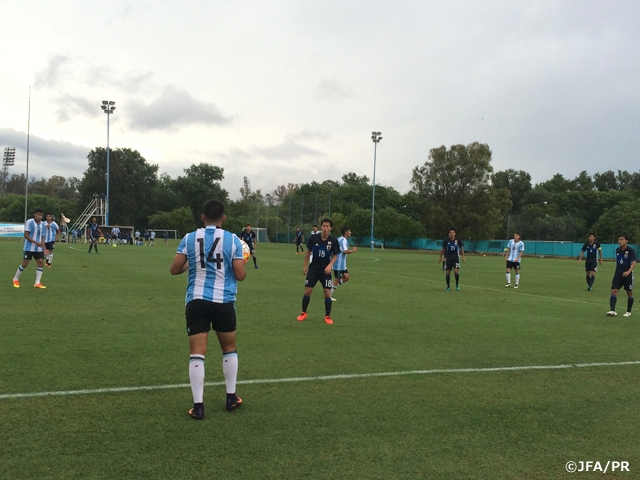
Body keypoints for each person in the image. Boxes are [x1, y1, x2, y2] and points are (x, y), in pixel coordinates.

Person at [170, 199, 247, 420]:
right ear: (223, 217)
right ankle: (231, 397)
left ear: (203, 217)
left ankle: (199, 406)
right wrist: (243, 263)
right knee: (229, 348)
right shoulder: (233, 240)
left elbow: (175, 269)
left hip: (196, 301)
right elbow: (240, 275)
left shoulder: (190, 238)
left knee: (197, 353)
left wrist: (192, 262)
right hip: (223, 301)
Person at [297, 218, 340, 325]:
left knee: (327, 293)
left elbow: (336, 255)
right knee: (307, 291)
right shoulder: (314, 238)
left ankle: (327, 316)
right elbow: (308, 252)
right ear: (321, 227)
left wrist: (330, 265)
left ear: (330, 228)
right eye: (324, 226)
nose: (325, 228)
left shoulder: (333, 241)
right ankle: (303, 313)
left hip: (325, 271)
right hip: (313, 269)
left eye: (327, 226)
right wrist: (305, 266)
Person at [13, 208, 47, 288]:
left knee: (40, 262)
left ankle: (37, 283)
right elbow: (26, 235)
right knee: (25, 264)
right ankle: (15, 278)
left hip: (38, 248)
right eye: (38, 214)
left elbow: (42, 237)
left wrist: (44, 248)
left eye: (41, 215)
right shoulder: (29, 222)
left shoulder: (42, 224)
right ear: (34, 214)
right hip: (29, 247)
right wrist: (36, 243)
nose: (39, 216)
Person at [607, 233, 636, 317]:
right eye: (619, 239)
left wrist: (628, 271)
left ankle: (628, 311)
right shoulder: (617, 250)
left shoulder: (631, 251)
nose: (620, 241)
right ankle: (612, 310)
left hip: (628, 274)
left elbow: (633, 263)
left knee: (629, 292)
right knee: (614, 291)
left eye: (622, 239)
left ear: (626, 241)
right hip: (618, 274)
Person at [330, 226, 357, 300]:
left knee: (346, 277)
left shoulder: (340, 239)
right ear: (346, 233)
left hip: (342, 265)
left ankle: (332, 287)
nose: (350, 232)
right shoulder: (343, 240)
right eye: (349, 231)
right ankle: (329, 294)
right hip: (338, 263)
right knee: (337, 279)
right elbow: (345, 251)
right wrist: (353, 250)